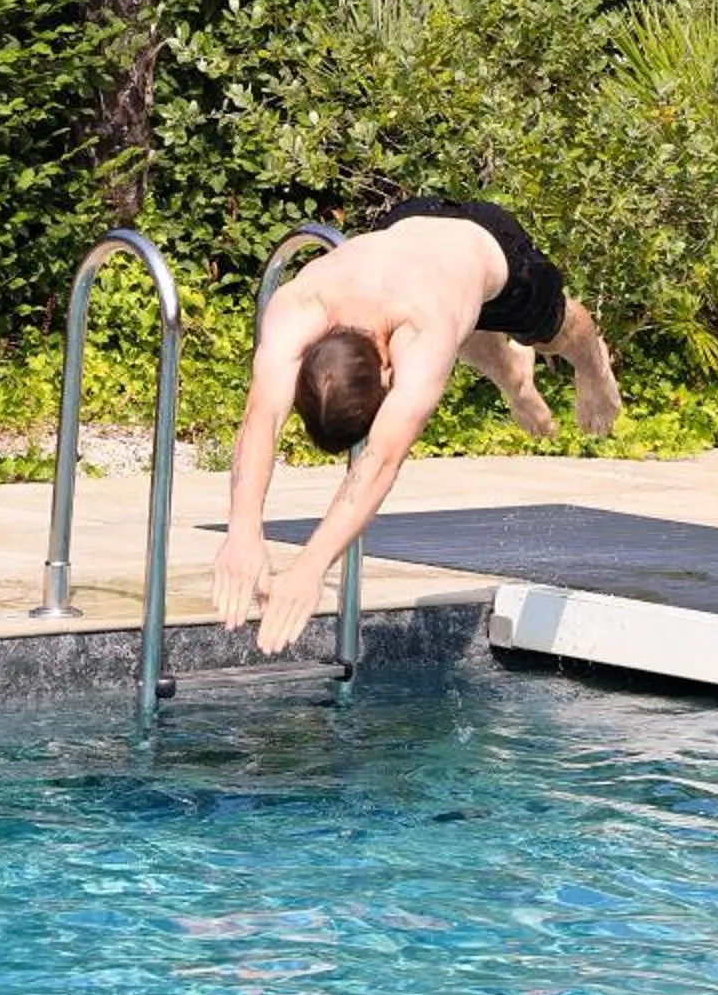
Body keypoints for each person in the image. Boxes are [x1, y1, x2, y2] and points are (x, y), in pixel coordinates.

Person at [212, 196, 621, 657]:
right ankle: (516, 381)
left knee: (559, 329)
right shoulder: (299, 307)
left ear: (389, 370)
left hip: (489, 243)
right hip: (407, 228)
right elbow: (260, 417)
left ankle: (594, 369)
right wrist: (242, 531)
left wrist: (311, 566)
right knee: (466, 332)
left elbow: (380, 461)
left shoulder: (421, 332)